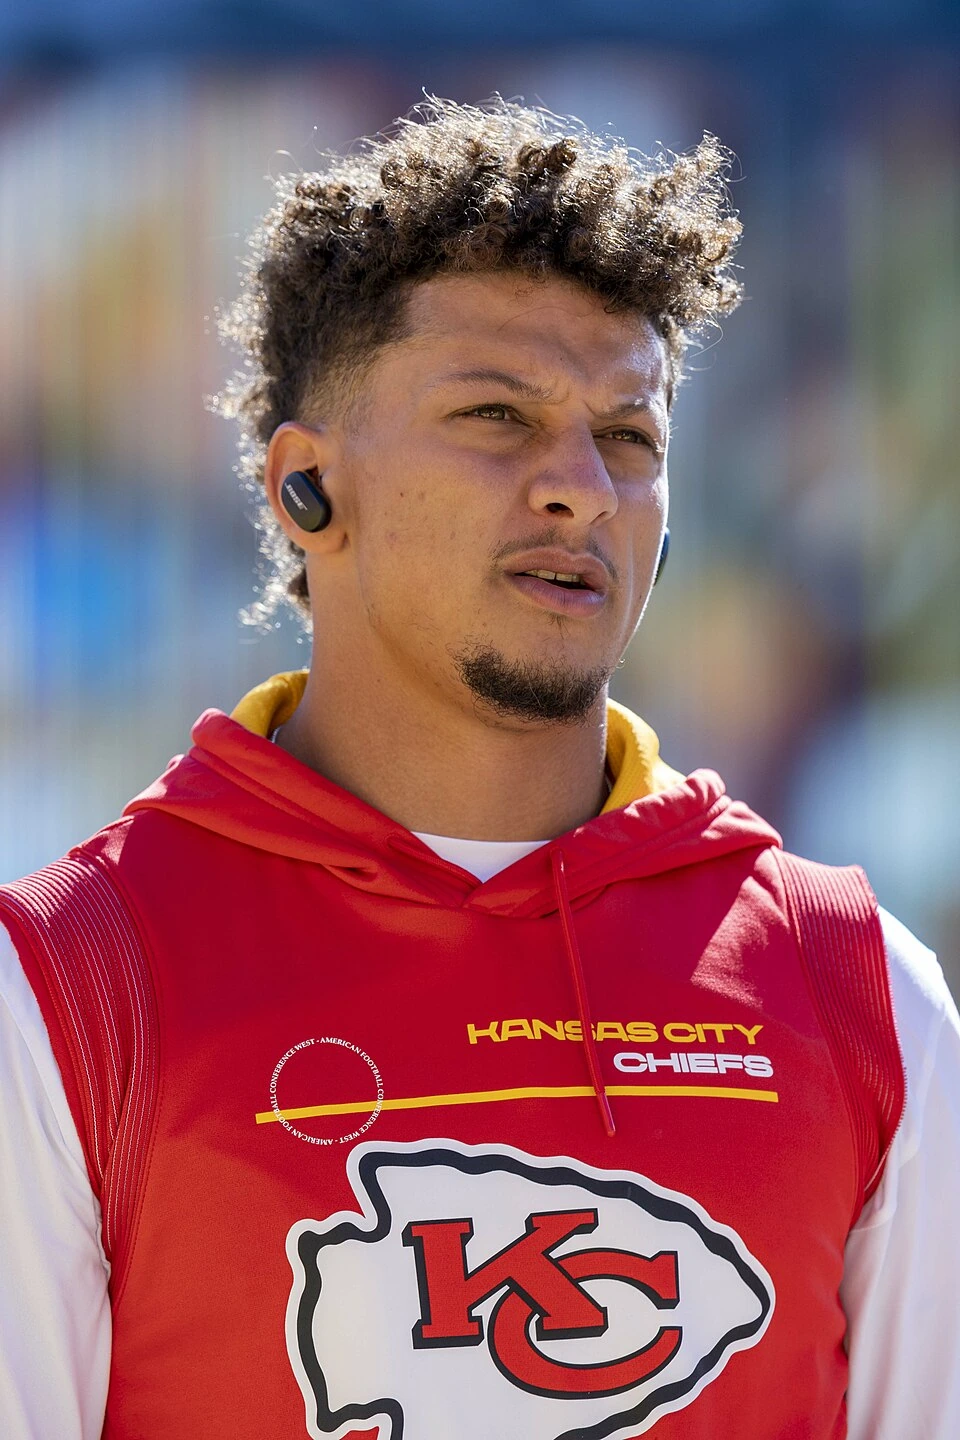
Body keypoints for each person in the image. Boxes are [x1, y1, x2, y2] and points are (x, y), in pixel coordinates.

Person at [0, 98, 958, 1440]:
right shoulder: (66, 989)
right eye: (498, 415)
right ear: (303, 490)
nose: (579, 485)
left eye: (630, 437)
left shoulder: (862, 995)